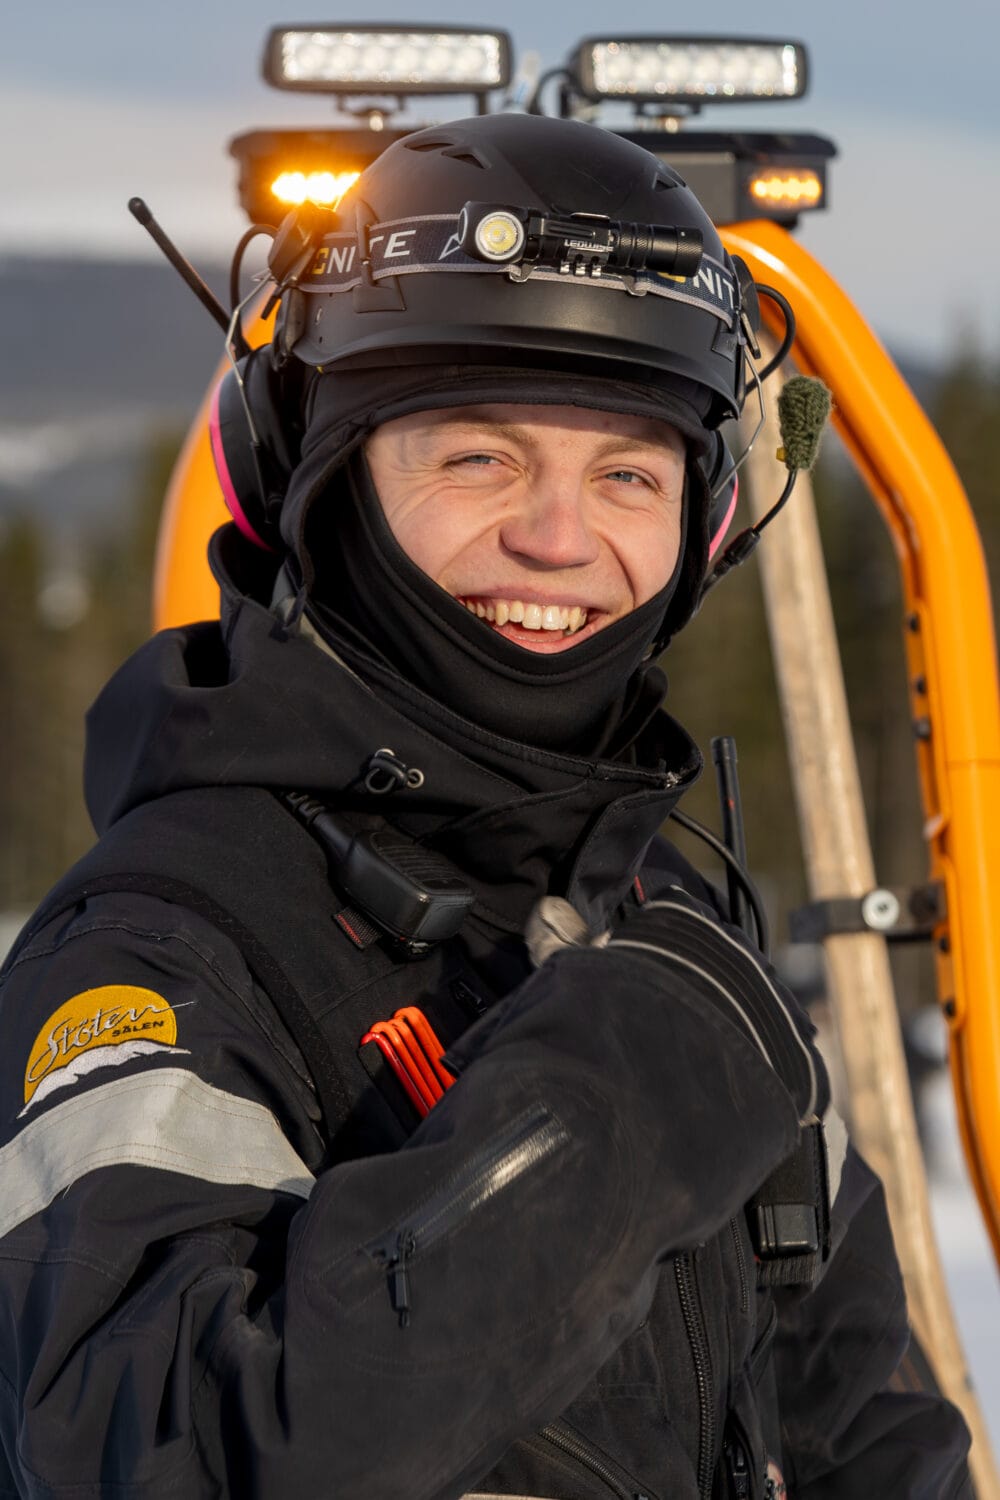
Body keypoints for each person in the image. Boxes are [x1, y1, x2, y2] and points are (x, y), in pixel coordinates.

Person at [0, 113, 971, 1499]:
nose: (561, 540)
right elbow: (161, 1457)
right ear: (320, 481)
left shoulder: (675, 923)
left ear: (701, 524)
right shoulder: (159, 949)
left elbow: (867, 1430)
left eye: (627, 473)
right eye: (478, 458)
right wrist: (606, 1119)